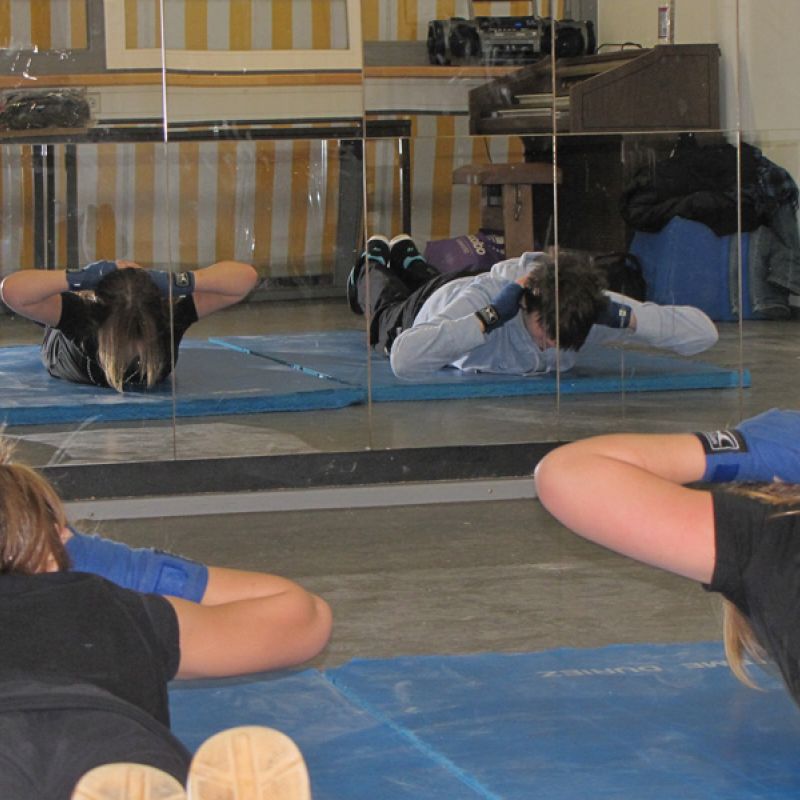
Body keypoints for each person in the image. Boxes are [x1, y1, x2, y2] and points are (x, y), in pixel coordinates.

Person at [0, 439, 331, 799]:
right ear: (56, 544)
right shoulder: (113, 607)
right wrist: (128, 568)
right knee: (131, 768)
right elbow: (305, 619)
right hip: (115, 740)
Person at [533, 407, 800, 706]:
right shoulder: (774, 538)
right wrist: (741, 451)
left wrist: (734, 452)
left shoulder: (766, 542)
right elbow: (568, 474)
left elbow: (570, 471)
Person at [347, 235, 719, 381]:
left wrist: (629, 316)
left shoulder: (580, 309)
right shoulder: (486, 302)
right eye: (547, 333)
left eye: (563, 341)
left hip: (462, 282)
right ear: (526, 303)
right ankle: (371, 262)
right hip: (429, 308)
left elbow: (705, 334)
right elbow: (405, 359)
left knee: (423, 276)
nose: (553, 346)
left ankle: (409, 258)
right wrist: (488, 318)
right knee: (384, 310)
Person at [0, 258, 258, 392]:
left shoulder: (166, 320)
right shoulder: (84, 316)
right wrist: (83, 278)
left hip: (76, 328)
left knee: (56, 306)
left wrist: (177, 282)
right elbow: (11, 290)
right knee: (55, 306)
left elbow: (246, 278)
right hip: (65, 342)